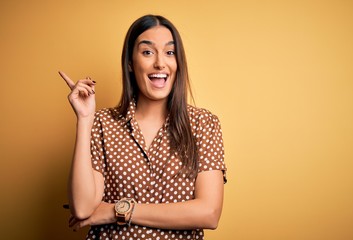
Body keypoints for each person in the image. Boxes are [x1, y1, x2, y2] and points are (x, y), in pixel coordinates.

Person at [59, 14, 227, 240]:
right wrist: (85, 119)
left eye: (169, 52)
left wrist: (115, 210)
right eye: (148, 52)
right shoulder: (102, 123)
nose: (160, 62)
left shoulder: (203, 125)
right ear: (130, 62)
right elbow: (82, 208)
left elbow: (209, 212)